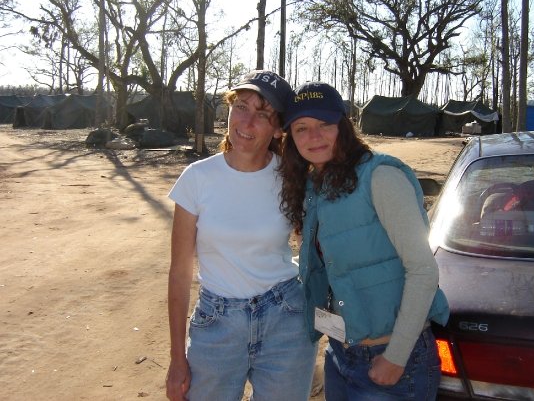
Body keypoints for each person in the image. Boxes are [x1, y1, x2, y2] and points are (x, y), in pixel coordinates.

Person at [278, 81, 450, 401]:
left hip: (393, 360)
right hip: (341, 354)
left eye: (324, 124)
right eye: (302, 128)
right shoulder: (315, 188)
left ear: (343, 127)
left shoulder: (381, 177)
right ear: (291, 138)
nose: (314, 136)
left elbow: (424, 270)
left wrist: (396, 358)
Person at [165, 70, 317, 401]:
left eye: (262, 115)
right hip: (217, 324)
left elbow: (319, 246)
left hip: (286, 320)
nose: (247, 123)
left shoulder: (292, 177)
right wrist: (178, 359)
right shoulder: (197, 178)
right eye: (242, 106)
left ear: (278, 128)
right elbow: (179, 273)